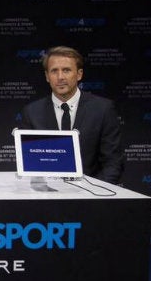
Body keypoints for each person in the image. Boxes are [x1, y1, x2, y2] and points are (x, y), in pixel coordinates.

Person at [20, 46, 124, 184]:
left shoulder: (103, 109)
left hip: (92, 196)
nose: (60, 77)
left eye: (66, 70)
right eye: (54, 71)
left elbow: (113, 163)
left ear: (79, 74)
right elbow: (30, 165)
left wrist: (91, 193)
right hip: (47, 197)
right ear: (47, 76)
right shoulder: (32, 112)